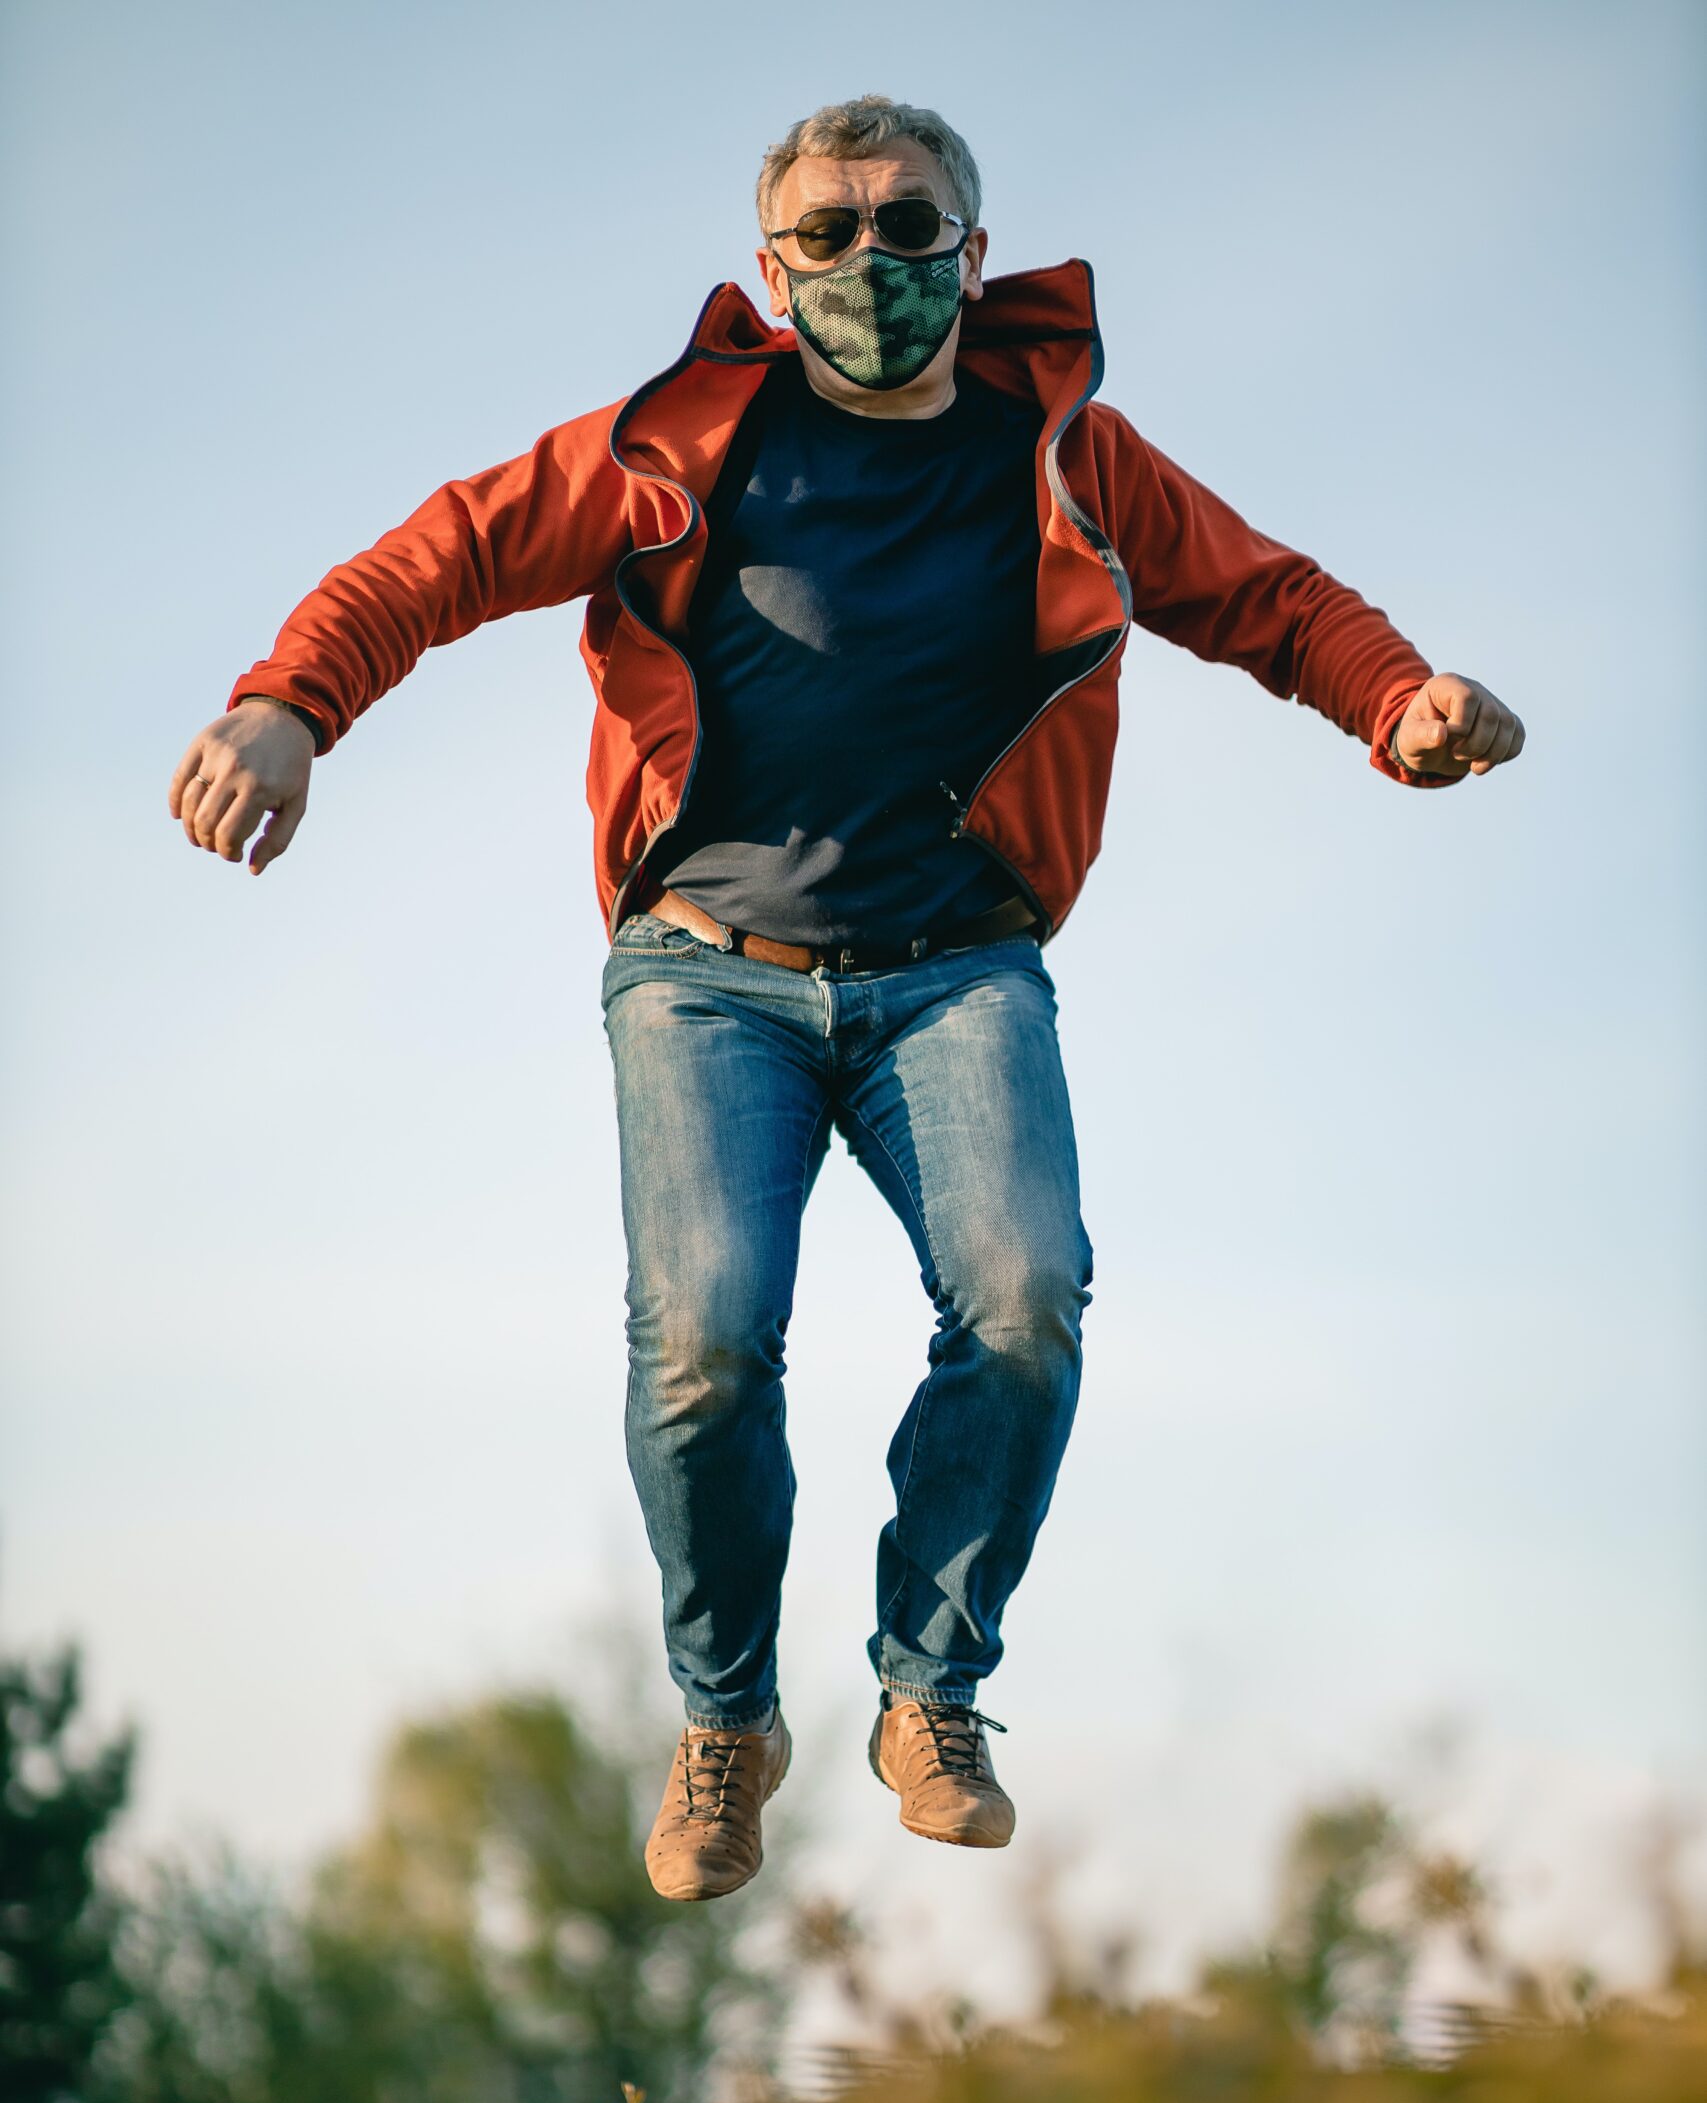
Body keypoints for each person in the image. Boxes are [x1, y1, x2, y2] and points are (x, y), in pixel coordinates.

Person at [167, 96, 1524, 1904]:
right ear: (770, 264)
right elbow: (442, 554)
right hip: (706, 979)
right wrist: (291, 702)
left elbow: (1258, 594)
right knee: (708, 1343)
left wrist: (1396, 699)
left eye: (910, 226)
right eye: (831, 231)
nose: (872, 259)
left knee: (1028, 1298)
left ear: (975, 251)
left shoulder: (1067, 453)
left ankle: (927, 1688)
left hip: (956, 971)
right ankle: (727, 1717)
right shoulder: (676, 448)